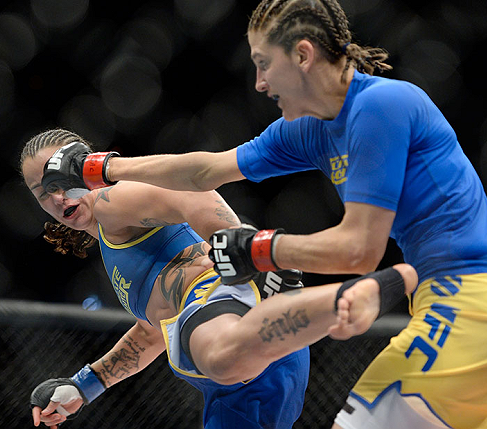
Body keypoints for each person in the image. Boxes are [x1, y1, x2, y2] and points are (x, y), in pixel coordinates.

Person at [41, 0, 487, 429]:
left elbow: (359, 249)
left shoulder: (381, 105)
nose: (260, 83)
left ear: (304, 55)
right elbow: (205, 171)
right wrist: (100, 169)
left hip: (473, 307)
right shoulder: (308, 131)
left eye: (265, 64)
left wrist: (261, 250)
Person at [22, 128, 418, 429]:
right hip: (252, 356)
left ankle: (340, 298)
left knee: (218, 357)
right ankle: (309, 300)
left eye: (59, 182)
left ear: (82, 168)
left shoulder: (112, 201)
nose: (57, 198)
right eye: (43, 193)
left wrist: (245, 252)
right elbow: (150, 333)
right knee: (212, 359)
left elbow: (192, 194)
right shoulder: (110, 242)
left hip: (223, 312)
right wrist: (84, 386)